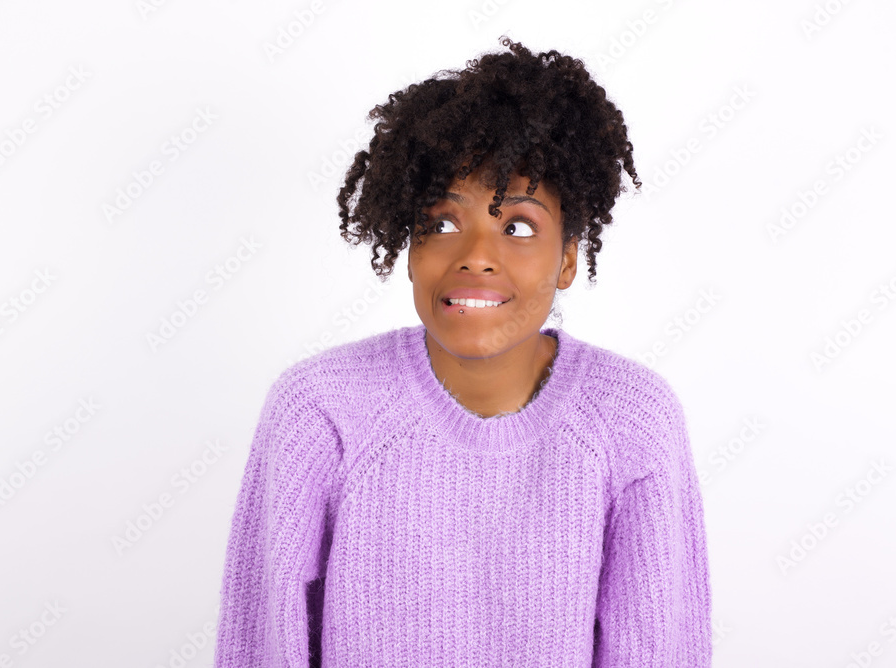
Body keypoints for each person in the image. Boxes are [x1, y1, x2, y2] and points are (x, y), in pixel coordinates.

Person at [214, 36, 712, 667]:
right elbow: (263, 646)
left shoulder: (633, 420)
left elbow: (660, 650)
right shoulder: (319, 412)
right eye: (442, 223)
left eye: (518, 227)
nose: (476, 253)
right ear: (408, 247)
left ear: (566, 260)